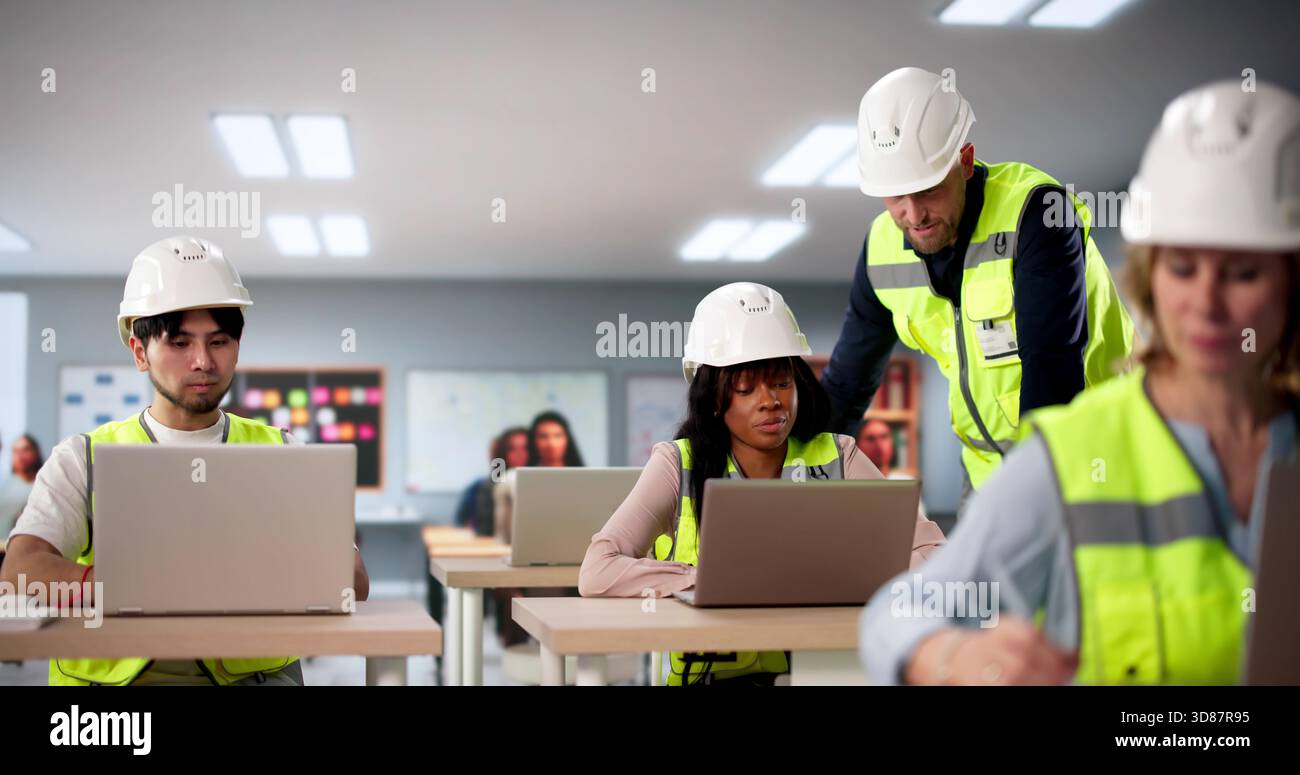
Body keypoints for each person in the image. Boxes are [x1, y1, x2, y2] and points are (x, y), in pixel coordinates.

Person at [859, 80, 1300, 686]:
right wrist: (954, 657)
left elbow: (1052, 360)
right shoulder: (1072, 455)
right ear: (1151, 274)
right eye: (1181, 267)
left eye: (1244, 273)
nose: (1205, 303)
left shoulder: (1036, 214)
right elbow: (896, 617)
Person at [2, 236, 370, 686]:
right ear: (140, 352)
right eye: (179, 343)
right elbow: (21, 573)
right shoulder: (83, 457)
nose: (203, 362)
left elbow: (351, 578)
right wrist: (131, 588)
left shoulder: (282, 451)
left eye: (218, 341)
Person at [580, 282, 945, 685]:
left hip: (820, 672)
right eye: (745, 388)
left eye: (781, 383)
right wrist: (704, 580)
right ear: (714, 398)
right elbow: (597, 570)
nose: (770, 400)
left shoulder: (839, 455)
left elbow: (933, 553)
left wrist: (845, 577)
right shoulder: (676, 463)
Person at [819, 67, 1135, 509]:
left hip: (1099, 462)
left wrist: (1027, 508)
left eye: (927, 189)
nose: (913, 214)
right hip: (987, 474)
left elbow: (1051, 373)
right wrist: (800, 485)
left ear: (965, 161)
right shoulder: (881, 249)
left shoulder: (1038, 213)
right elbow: (845, 390)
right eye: (895, 197)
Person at [0, 434, 43, 549]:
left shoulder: (46, 486)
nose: (20, 456)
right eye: (15, 451)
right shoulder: (3, 486)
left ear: (36, 452)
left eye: (25, 450)